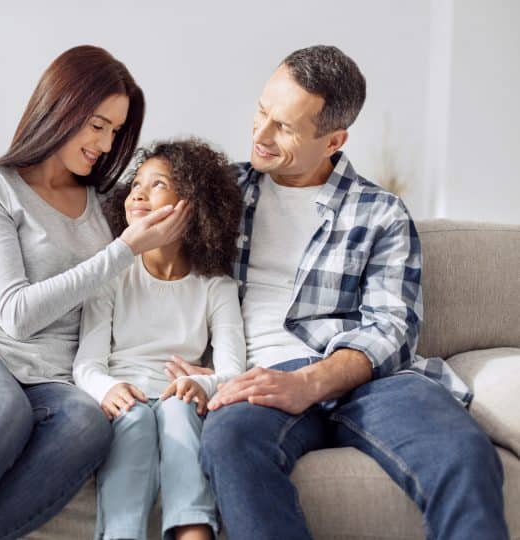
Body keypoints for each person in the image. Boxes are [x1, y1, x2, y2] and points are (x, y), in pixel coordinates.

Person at [165, 45, 509, 540]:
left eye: (284, 127)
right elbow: (141, 245)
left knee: (463, 451)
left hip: (372, 382)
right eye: (263, 110)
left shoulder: (380, 212)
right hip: (257, 375)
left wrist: (309, 382)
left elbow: (393, 328)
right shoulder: (222, 194)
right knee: (231, 440)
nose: (260, 135)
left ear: (334, 139)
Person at [0, 45, 190, 540]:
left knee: (88, 424)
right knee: (0, 411)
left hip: (52, 378)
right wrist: (122, 250)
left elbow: (190, 179)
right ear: (60, 106)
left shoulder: (107, 202)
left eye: (115, 131)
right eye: (97, 125)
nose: (106, 145)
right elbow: (15, 315)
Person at [73, 139, 245, 540]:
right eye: (136, 183)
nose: (138, 192)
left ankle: (193, 531)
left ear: (192, 202)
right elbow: (87, 364)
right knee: (133, 422)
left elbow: (233, 369)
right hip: (125, 392)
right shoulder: (113, 272)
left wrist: (201, 383)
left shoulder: (216, 285)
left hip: (178, 393)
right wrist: (108, 389)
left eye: (157, 184)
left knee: (180, 413)